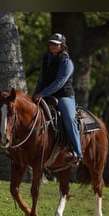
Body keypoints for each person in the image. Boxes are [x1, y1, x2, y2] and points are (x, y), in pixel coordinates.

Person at [32, 33, 82, 165]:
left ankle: (77, 152)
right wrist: (35, 94)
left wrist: (42, 94)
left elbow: (60, 82)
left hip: (64, 95)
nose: (52, 46)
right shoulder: (46, 59)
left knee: (69, 118)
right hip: (45, 94)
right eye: (51, 43)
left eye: (56, 44)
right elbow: (41, 79)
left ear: (62, 46)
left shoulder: (66, 62)